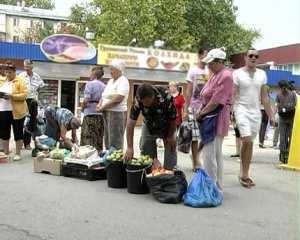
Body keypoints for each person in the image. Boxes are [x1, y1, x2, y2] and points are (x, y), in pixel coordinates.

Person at [233, 48, 275, 188]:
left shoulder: (262, 74)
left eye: (256, 56)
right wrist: (230, 111)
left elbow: (264, 97)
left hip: (255, 112)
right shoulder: (237, 73)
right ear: (245, 57)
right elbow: (234, 95)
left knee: (249, 143)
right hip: (241, 109)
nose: (253, 58)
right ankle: (244, 174)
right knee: (246, 140)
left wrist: (271, 116)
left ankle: (244, 172)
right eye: (250, 55)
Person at [196, 48, 233, 190]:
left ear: (219, 61)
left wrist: (201, 113)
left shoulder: (226, 76)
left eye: (211, 63)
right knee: (215, 153)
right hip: (209, 115)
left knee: (209, 154)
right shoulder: (215, 74)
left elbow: (216, 101)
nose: (208, 66)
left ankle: (212, 186)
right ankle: (216, 185)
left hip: (216, 117)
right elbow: (206, 96)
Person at [124, 84, 177, 170]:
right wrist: (130, 147)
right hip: (149, 123)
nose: (145, 105)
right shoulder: (138, 100)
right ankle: (151, 173)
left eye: (148, 102)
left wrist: (171, 136)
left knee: (171, 148)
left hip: (167, 124)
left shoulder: (166, 96)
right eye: (143, 102)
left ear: (153, 96)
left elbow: (173, 119)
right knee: (146, 151)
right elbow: (130, 124)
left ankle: (170, 172)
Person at [183, 46, 209, 171]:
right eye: (205, 55)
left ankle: (196, 154)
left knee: (206, 136)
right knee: (194, 136)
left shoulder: (210, 71)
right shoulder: (193, 71)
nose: (207, 58)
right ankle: (195, 162)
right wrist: (185, 109)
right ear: (199, 56)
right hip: (193, 107)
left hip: (206, 108)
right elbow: (188, 91)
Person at [96, 59, 129, 150]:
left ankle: (115, 161)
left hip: (117, 113)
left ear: (119, 70)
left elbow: (119, 98)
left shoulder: (123, 81)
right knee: (107, 137)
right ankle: (108, 157)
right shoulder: (111, 81)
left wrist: (103, 107)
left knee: (115, 139)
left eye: (112, 69)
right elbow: (104, 95)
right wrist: (100, 104)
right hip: (106, 111)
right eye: (110, 69)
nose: (110, 72)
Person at [0, 61, 28, 161]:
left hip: (17, 111)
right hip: (3, 110)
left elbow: (24, 95)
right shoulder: (2, 80)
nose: (8, 74)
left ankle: (18, 153)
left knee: (18, 132)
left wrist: (12, 96)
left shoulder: (20, 81)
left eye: (10, 72)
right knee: (4, 132)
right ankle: (6, 152)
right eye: (6, 72)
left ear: (14, 72)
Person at [19, 59, 44, 150]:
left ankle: (27, 143)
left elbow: (40, 87)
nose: (27, 67)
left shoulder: (37, 76)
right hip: (22, 100)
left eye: (28, 65)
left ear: (32, 66)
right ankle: (19, 142)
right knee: (21, 121)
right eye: (25, 66)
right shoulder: (21, 76)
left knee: (31, 122)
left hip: (33, 101)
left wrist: (37, 97)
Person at [80, 66, 106, 152]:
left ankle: (87, 161)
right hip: (100, 115)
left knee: (88, 140)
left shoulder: (90, 84)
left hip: (90, 115)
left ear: (94, 74)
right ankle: (98, 159)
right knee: (98, 139)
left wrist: (82, 108)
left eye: (91, 73)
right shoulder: (104, 86)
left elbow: (86, 99)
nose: (90, 75)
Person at [276, 80, 297, 163]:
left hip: (292, 117)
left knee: (291, 136)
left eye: (284, 88)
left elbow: (296, 104)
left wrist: (288, 107)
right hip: (282, 118)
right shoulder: (278, 95)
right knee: (282, 137)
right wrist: (274, 117)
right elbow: (276, 106)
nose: (283, 90)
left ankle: (289, 153)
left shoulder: (293, 94)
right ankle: (282, 154)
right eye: (282, 88)